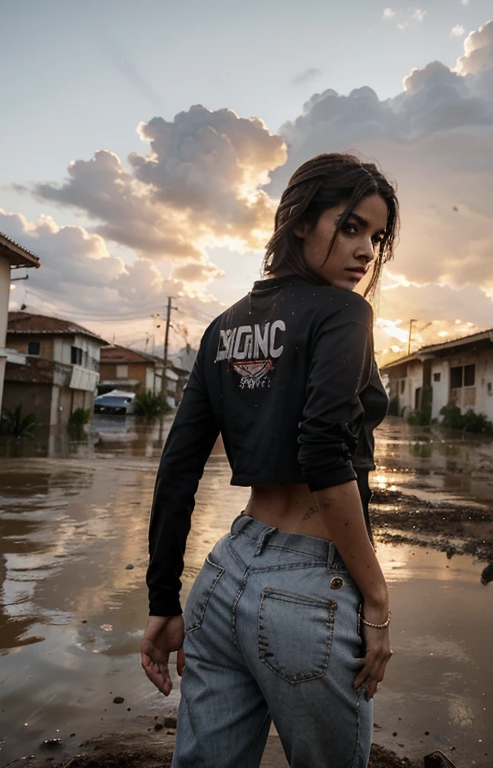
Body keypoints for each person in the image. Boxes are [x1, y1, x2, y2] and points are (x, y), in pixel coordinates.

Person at [141, 152, 399, 767]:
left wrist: (163, 600)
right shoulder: (345, 314)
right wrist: (378, 599)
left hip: (223, 577)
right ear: (303, 221)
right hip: (306, 590)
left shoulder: (222, 329)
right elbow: (324, 455)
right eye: (353, 226)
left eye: (378, 236)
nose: (366, 251)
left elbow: (177, 469)